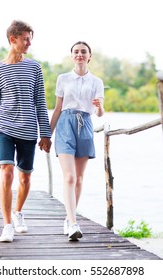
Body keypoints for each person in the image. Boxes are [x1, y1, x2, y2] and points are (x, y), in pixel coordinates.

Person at [0, 20, 52, 243]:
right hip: (4, 127)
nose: (29, 43)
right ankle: (7, 225)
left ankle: (18, 212)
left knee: (25, 178)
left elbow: (40, 101)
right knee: (6, 173)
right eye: (25, 39)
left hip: (28, 130)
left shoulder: (35, 67)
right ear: (12, 39)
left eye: (30, 39)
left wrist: (46, 133)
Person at [50, 41, 105, 241]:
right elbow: (57, 108)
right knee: (70, 177)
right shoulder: (63, 78)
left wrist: (99, 107)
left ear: (89, 56)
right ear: (71, 56)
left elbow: (99, 113)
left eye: (83, 52)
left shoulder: (96, 82)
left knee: (79, 179)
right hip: (65, 125)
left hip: (86, 125)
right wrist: (48, 134)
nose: (79, 54)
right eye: (76, 52)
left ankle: (68, 218)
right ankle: (73, 224)